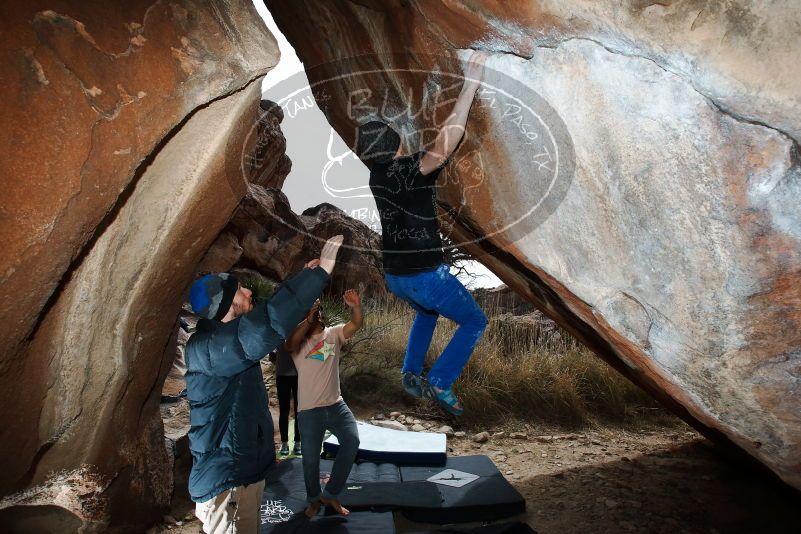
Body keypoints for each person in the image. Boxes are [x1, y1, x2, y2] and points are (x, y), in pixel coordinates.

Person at [185, 235, 344, 534]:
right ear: (226, 302)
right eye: (239, 289)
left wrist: (305, 277)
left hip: (243, 473)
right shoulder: (210, 348)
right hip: (228, 479)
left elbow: (265, 315)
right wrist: (321, 273)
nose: (247, 291)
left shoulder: (223, 342)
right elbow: (265, 325)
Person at [359, 51, 489, 416]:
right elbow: (448, 141)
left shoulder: (377, 175)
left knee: (427, 315)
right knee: (475, 321)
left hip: (396, 276)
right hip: (424, 276)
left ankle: (410, 373)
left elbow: (403, 147)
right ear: (395, 147)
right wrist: (470, 84)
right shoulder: (412, 170)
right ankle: (441, 382)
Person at [284, 289, 363, 518]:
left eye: (317, 312)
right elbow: (289, 345)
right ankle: (313, 500)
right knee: (310, 460)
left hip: (336, 405)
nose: (315, 315)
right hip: (309, 411)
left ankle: (330, 494)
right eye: (310, 313)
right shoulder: (299, 345)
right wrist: (307, 319)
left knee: (352, 441)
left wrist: (356, 307)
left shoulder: (333, 334)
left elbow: (355, 324)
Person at [273, 342, 302, 457]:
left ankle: (298, 443)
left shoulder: (301, 330)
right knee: (284, 411)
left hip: (298, 375)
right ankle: (284, 443)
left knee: (299, 411)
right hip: (282, 375)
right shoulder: (279, 332)